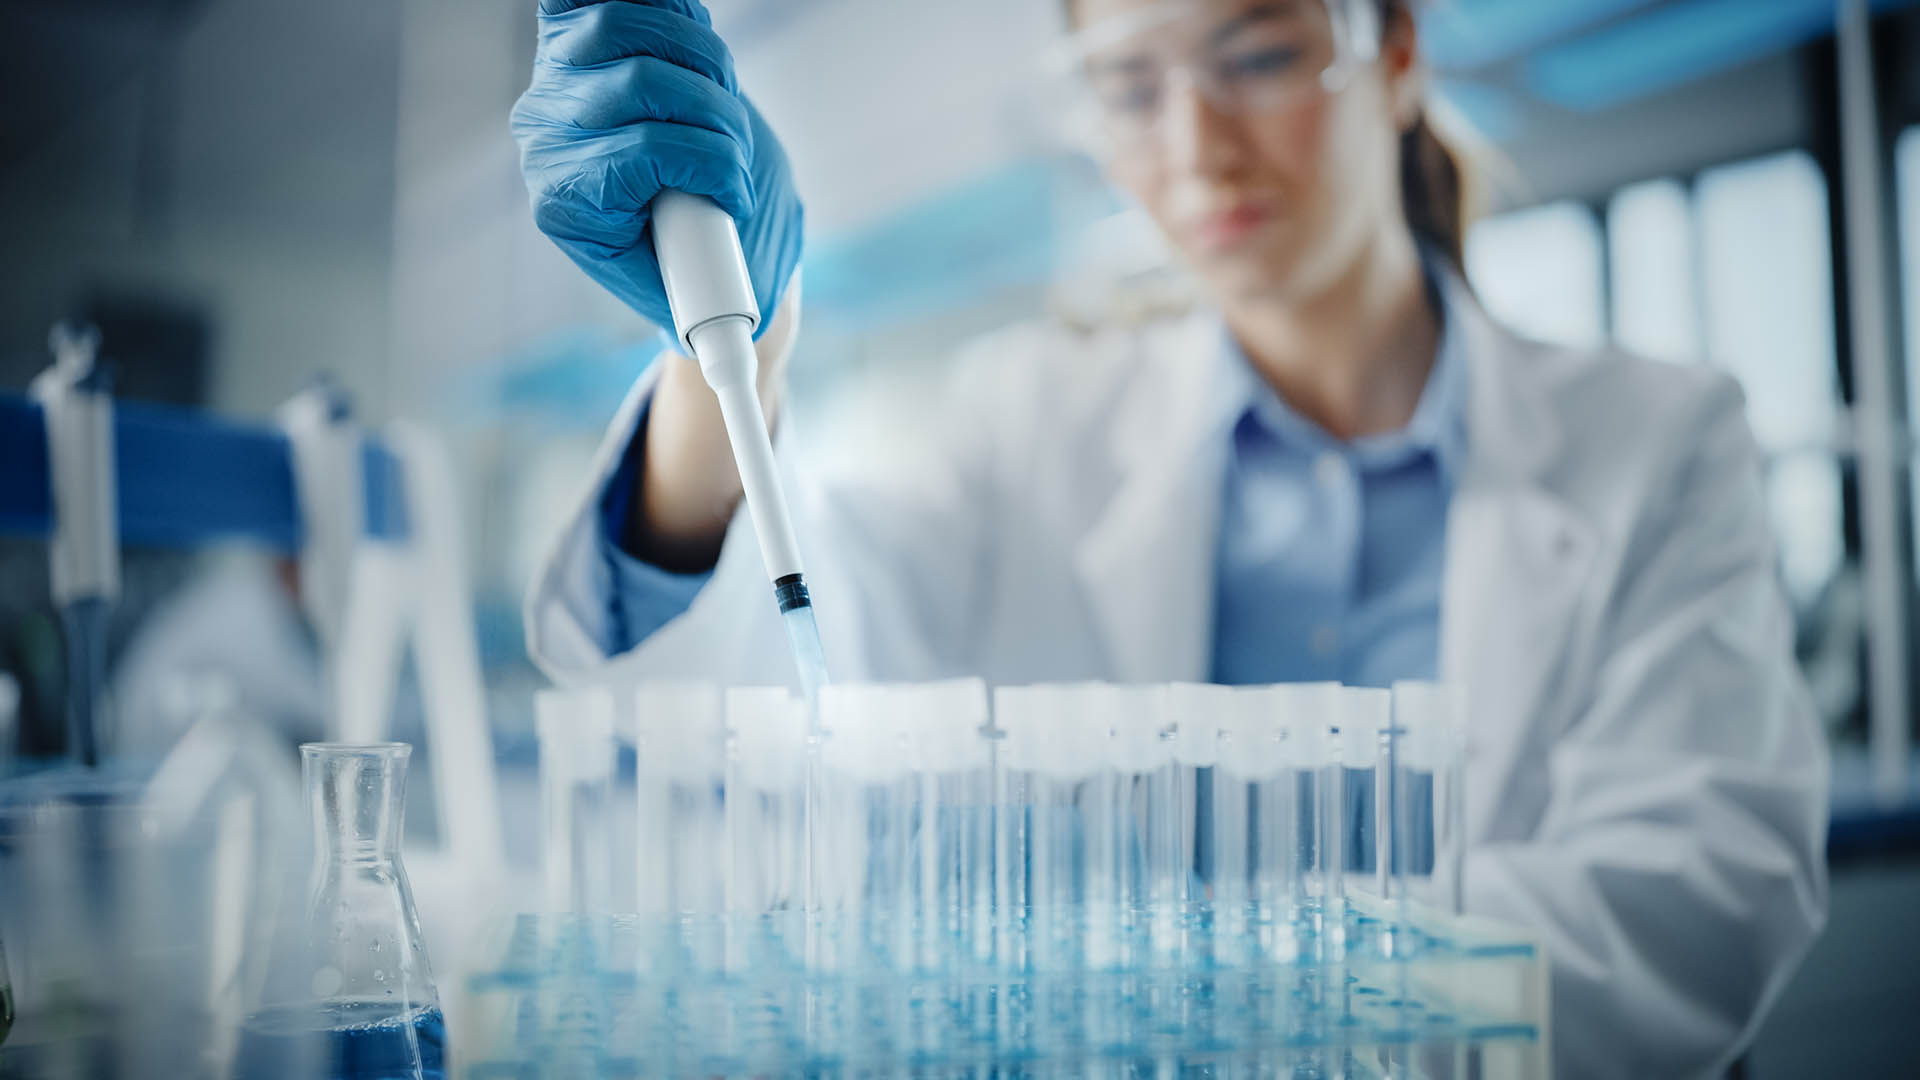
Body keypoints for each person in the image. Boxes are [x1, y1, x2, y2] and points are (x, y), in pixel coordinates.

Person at [511, 0, 1829, 1075]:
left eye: (1256, 55)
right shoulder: (1028, 425)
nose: (1196, 145)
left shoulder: (1659, 439)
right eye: (1131, 86)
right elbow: (791, 662)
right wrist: (736, 354)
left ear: (1396, 51)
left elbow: (1695, 905)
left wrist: (1231, 1003)